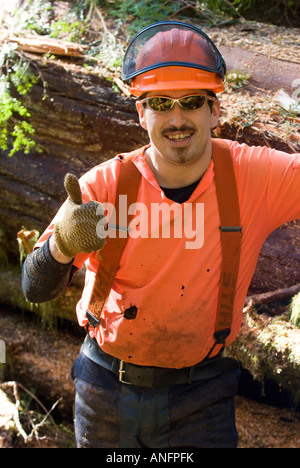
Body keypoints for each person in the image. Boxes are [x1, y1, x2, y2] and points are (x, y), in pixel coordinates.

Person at [22, 21, 300, 449]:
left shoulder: (255, 176)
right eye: (160, 103)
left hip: (201, 396)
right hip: (105, 392)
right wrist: (63, 245)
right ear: (140, 113)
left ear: (215, 111)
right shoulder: (104, 186)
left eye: (191, 102)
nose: (177, 118)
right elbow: (33, 287)